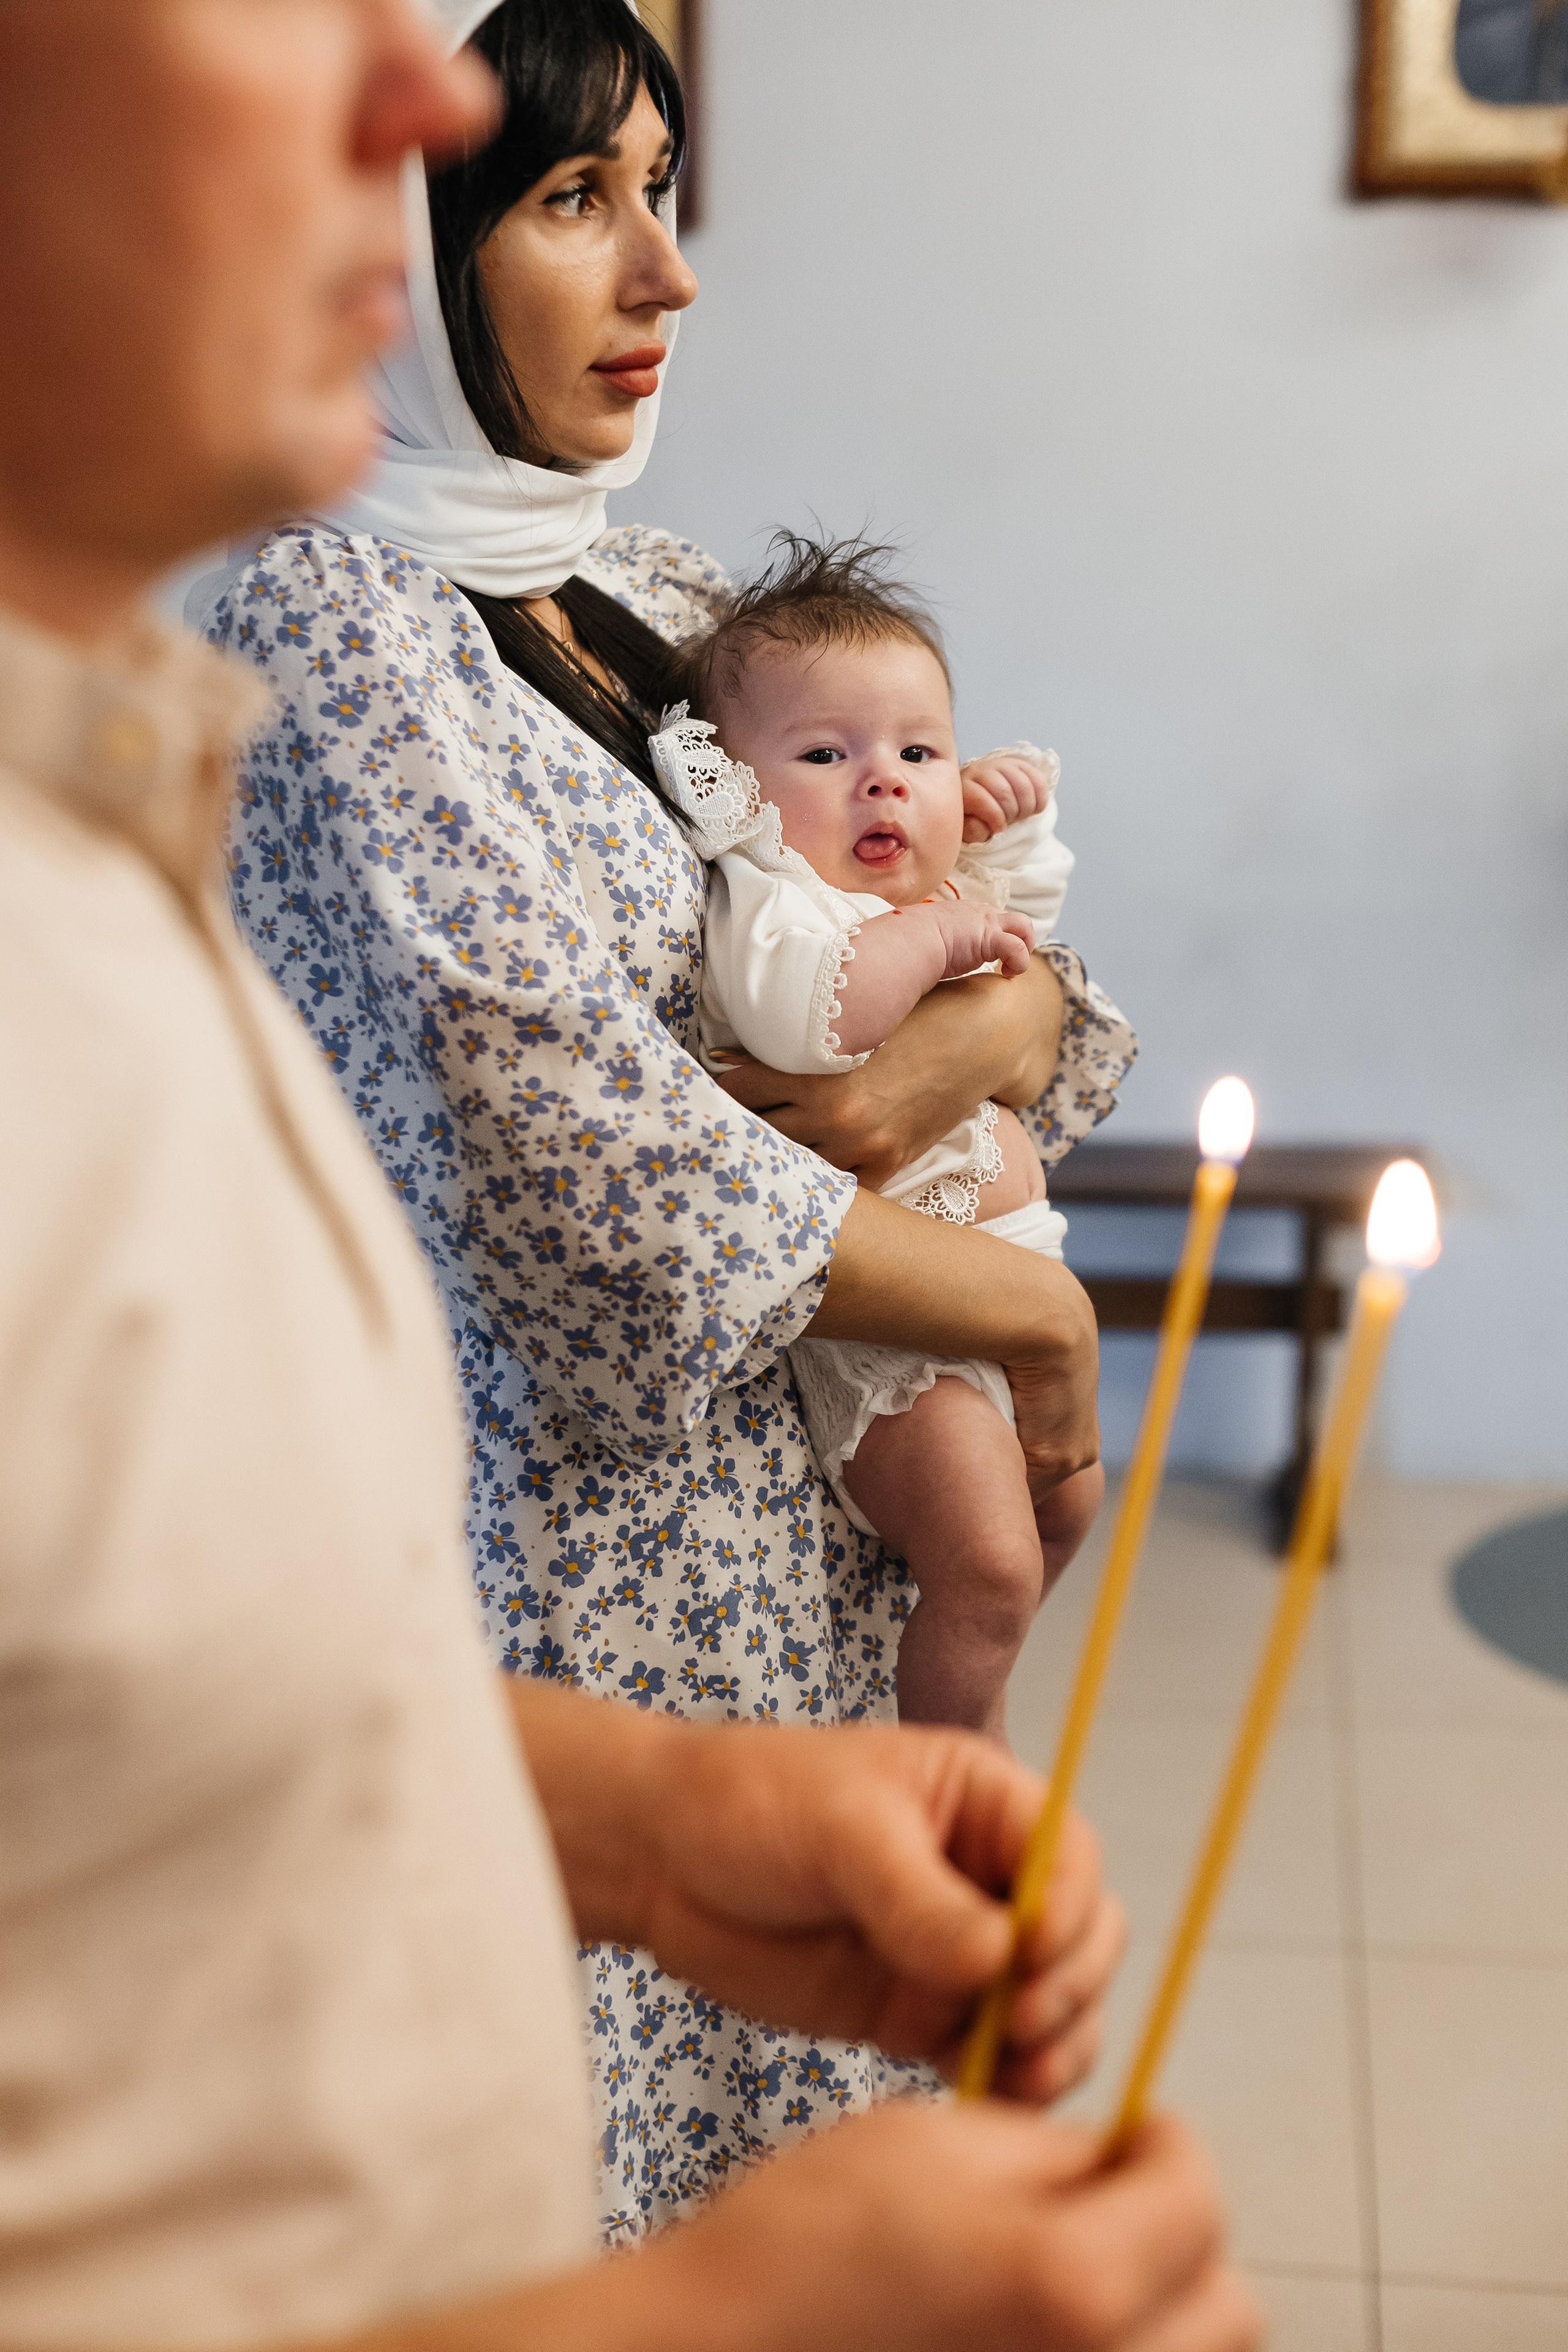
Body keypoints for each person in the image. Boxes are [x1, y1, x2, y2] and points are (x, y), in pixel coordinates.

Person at [0, 1, 1260, 2346]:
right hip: (605, 1577)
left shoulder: (641, 591)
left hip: (733, 1642)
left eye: (646, 185)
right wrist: (1026, 1298)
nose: (662, 269)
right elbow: (610, 1200)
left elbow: (1017, 1001)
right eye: (576, 197)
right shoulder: (325, 629)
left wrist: (629, 1811)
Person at [651, 534, 1105, 1740]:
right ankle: (947, 1778)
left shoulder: (914, 890)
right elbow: (819, 1018)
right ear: (741, 794)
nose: (884, 782)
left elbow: (1030, 924)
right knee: (992, 1560)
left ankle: (975, 1683)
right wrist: (946, 944)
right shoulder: (776, 908)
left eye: (918, 752)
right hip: (898, 1322)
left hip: (1002, 1262)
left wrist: (1003, 825)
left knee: (1061, 1512)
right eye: (825, 753)